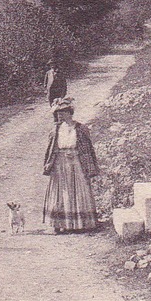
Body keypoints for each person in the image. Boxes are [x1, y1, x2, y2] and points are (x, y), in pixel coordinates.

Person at [42, 96, 99, 234]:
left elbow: (88, 148)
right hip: (60, 164)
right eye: (58, 113)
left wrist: (89, 164)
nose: (60, 115)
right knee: (61, 192)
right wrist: (49, 163)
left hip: (76, 163)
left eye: (62, 112)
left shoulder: (80, 128)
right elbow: (50, 149)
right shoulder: (55, 130)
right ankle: (58, 224)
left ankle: (79, 224)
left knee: (79, 189)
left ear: (69, 112)